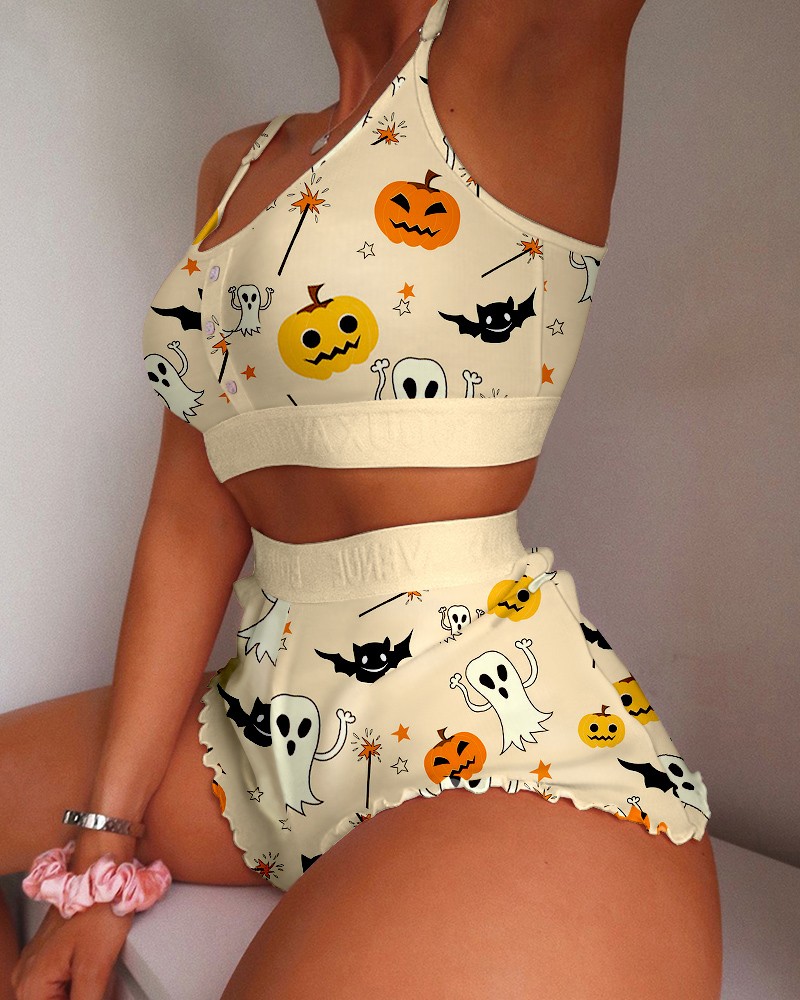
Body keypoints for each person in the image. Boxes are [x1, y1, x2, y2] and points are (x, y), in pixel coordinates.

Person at [2, 0, 723, 996]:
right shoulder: (239, 165)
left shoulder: (513, 51)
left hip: (502, 748)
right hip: (261, 730)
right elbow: (191, 516)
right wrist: (100, 854)